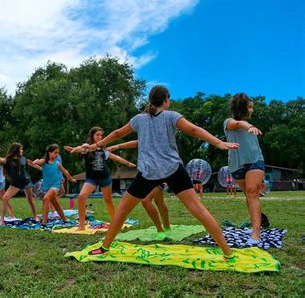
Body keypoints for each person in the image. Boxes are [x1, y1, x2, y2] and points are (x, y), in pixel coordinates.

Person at [82, 85, 238, 261]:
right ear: (166, 100)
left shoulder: (139, 119)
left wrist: (96, 145)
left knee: (122, 210)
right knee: (199, 210)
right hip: (173, 168)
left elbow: (118, 133)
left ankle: (104, 248)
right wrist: (218, 142)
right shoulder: (171, 116)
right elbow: (194, 130)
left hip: (149, 171)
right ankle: (228, 253)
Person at [65, 127, 136, 231]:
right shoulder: (87, 148)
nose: (100, 137)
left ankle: (116, 222)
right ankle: (81, 225)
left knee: (108, 201)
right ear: (92, 136)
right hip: (91, 179)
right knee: (81, 197)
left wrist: (128, 163)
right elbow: (82, 147)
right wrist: (74, 149)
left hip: (105, 178)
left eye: (101, 135)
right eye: (97, 135)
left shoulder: (104, 151)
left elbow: (116, 158)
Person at [108, 140, 171, 240]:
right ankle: (166, 227)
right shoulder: (148, 134)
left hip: (160, 172)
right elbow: (139, 142)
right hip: (148, 172)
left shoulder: (161, 137)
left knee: (146, 200)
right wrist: (118, 146)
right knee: (159, 200)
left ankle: (161, 230)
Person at [224, 93, 264, 245]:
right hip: (236, 166)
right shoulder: (229, 122)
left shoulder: (251, 128)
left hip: (255, 162)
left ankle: (256, 233)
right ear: (242, 108)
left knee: (253, 194)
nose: (252, 110)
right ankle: (256, 224)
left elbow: (255, 148)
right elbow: (239, 125)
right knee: (249, 195)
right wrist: (250, 127)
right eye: (250, 107)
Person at [0, 143, 37, 225]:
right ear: (16, 150)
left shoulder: (24, 159)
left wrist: (42, 169)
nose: (22, 151)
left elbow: (33, 164)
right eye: (21, 149)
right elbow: (1, 159)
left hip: (26, 181)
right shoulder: (8, 160)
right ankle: (1, 220)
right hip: (15, 183)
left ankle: (35, 216)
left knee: (30, 200)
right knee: (5, 198)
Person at [32, 144, 77, 227]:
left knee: (46, 198)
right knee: (55, 203)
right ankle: (64, 219)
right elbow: (37, 161)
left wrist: (71, 179)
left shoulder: (57, 163)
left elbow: (65, 172)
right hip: (47, 186)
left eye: (58, 153)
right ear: (49, 152)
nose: (57, 155)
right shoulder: (44, 162)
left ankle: (44, 222)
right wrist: (34, 162)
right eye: (55, 153)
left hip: (56, 185)